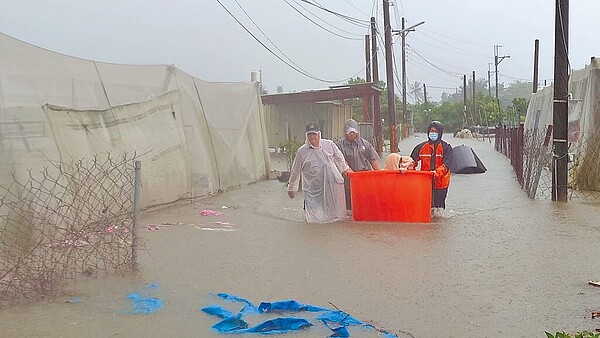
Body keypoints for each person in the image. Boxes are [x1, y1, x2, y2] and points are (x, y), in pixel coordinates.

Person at [287, 122, 352, 223]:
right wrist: (292, 188)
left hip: (330, 185)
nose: (312, 137)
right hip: (312, 188)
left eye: (314, 134)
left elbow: (339, 157)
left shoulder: (329, 144)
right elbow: (295, 170)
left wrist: (345, 169)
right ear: (306, 135)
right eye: (309, 134)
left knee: (335, 216)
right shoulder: (302, 151)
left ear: (319, 134)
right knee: (313, 218)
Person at [336, 119, 380, 211]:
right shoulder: (340, 146)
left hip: (364, 180)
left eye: (353, 132)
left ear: (357, 132)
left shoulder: (366, 144)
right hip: (348, 181)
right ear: (345, 133)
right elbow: (341, 162)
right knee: (349, 208)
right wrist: (348, 172)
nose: (352, 134)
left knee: (366, 206)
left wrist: (379, 175)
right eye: (349, 132)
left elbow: (373, 160)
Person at [410, 121, 453, 212]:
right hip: (425, 182)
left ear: (440, 133)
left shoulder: (446, 147)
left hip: (441, 183)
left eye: (436, 131)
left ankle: (437, 224)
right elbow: (411, 161)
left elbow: (446, 165)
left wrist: (436, 173)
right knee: (426, 207)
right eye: (431, 131)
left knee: (439, 209)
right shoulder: (421, 147)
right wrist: (409, 170)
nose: (433, 133)